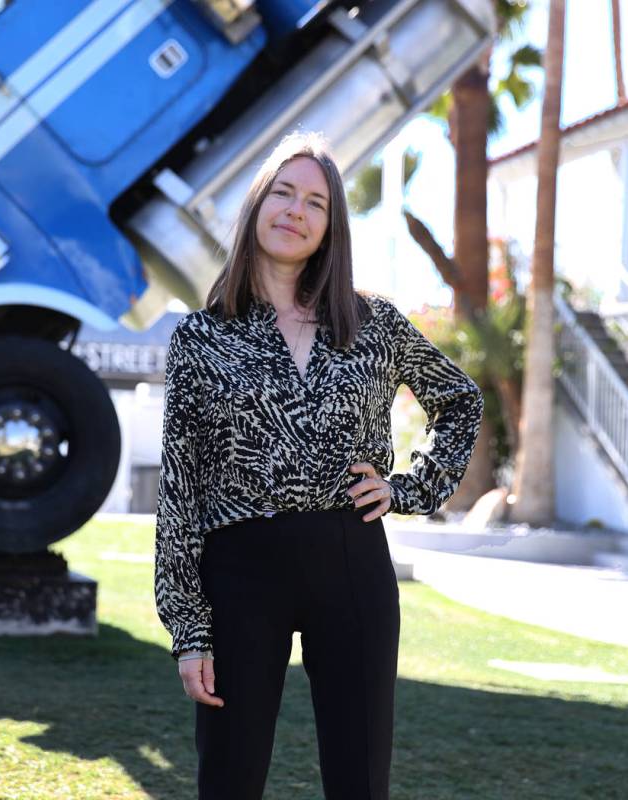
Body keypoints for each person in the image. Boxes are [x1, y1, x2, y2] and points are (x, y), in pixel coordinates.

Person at [154, 130, 484, 800]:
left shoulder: (373, 325)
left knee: (359, 781)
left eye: (315, 202)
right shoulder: (201, 337)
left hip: (349, 559)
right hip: (240, 572)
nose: (295, 210)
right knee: (229, 778)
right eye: (282, 192)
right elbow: (180, 490)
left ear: (331, 227)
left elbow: (461, 400)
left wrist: (408, 487)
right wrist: (190, 631)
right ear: (256, 206)